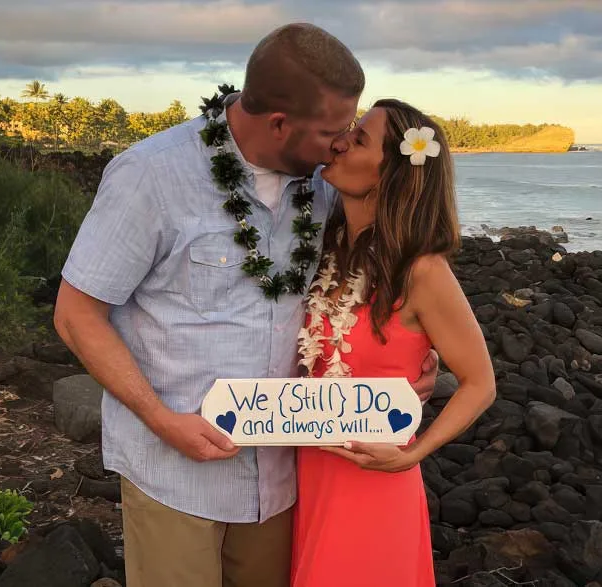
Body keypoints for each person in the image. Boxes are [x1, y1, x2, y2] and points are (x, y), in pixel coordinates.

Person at [52, 24, 436, 587]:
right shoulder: (152, 176)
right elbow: (75, 314)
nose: (341, 143)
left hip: (285, 473)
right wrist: (162, 421)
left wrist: (408, 366)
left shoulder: (326, 186)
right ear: (279, 123)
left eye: (351, 129)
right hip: (177, 472)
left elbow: (370, 290)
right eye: (332, 131)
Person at [291, 100, 496, 586]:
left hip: (374, 480)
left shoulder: (423, 271)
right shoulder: (324, 246)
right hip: (307, 472)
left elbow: (480, 383)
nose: (340, 141)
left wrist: (413, 453)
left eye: (359, 139)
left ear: (393, 175)